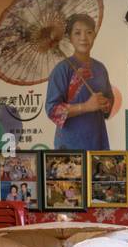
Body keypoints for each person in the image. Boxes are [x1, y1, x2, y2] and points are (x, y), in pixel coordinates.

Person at [45, 14, 112, 151]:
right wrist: (86, 106)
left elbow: (109, 99)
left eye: (89, 32)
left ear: (94, 35)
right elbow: (52, 110)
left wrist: (105, 104)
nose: (83, 38)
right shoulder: (62, 70)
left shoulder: (100, 68)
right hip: (70, 144)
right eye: (77, 33)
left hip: (97, 141)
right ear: (70, 37)